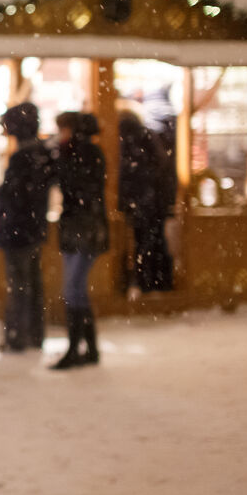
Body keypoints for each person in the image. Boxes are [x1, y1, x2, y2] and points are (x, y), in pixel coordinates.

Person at [51, 112, 109, 370]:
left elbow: (77, 188)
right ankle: (88, 348)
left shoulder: (83, 155)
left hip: (84, 228)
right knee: (76, 290)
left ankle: (77, 348)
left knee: (73, 289)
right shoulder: (78, 154)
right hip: (81, 227)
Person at [0, 102, 54, 351]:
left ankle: (18, 337)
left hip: (20, 229)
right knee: (31, 283)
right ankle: (33, 335)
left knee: (20, 284)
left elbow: (14, 196)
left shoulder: (23, 157)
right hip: (34, 227)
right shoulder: (42, 154)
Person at [118, 111, 174, 294]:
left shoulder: (124, 140)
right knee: (156, 241)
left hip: (140, 202)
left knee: (142, 242)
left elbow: (125, 173)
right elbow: (162, 166)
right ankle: (161, 282)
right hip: (154, 202)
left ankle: (144, 281)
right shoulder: (148, 137)